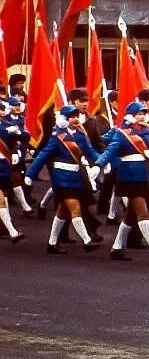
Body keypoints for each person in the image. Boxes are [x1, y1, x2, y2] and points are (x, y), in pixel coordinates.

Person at [94, 101, 149, 261]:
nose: (142, 117)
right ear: (131, 115)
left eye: (143, 114)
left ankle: (117, 247)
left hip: (143, 175)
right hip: (128, 177)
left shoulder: (146, 132)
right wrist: (98, 165)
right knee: (143, 213)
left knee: (131, 216)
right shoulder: (121, 133)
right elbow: (109, 150)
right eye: (138, 114)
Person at [25, 106, 103, 254]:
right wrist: (30, 174)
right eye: (71, 116)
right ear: (64, 119)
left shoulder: (80, 135)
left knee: (62, 212)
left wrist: (102, 162)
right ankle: (87, 240)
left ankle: (52, 243)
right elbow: (43, 156)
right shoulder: (57, 137)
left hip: (76, 178)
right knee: (75, 208)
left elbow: (90, 151)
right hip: (61, 179)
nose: (75, 119)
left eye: (77, 116)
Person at [0, 99, 26, 243]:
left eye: (2, 109)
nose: (1, 112)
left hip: (4, 166)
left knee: (5, 198)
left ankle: (5, 227)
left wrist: (15, 150)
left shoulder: (7, 125)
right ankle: (12, 231)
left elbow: (22, 136)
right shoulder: (5, 127)